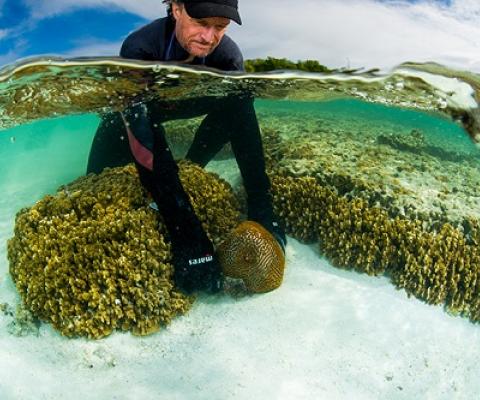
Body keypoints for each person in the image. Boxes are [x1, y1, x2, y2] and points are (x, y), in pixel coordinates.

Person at [87, 0, 286, 293]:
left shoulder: (229, 57)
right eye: (201, 22)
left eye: (220, 26)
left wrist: (263, 212)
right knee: (91, 183)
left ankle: (193, 167)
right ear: (177, 8)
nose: (209, 37)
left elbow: (241, 121)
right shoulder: (140, 49)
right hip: (125, 124)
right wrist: (188, 234)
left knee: (240, 100)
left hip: (183, 107)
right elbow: (143, 133)